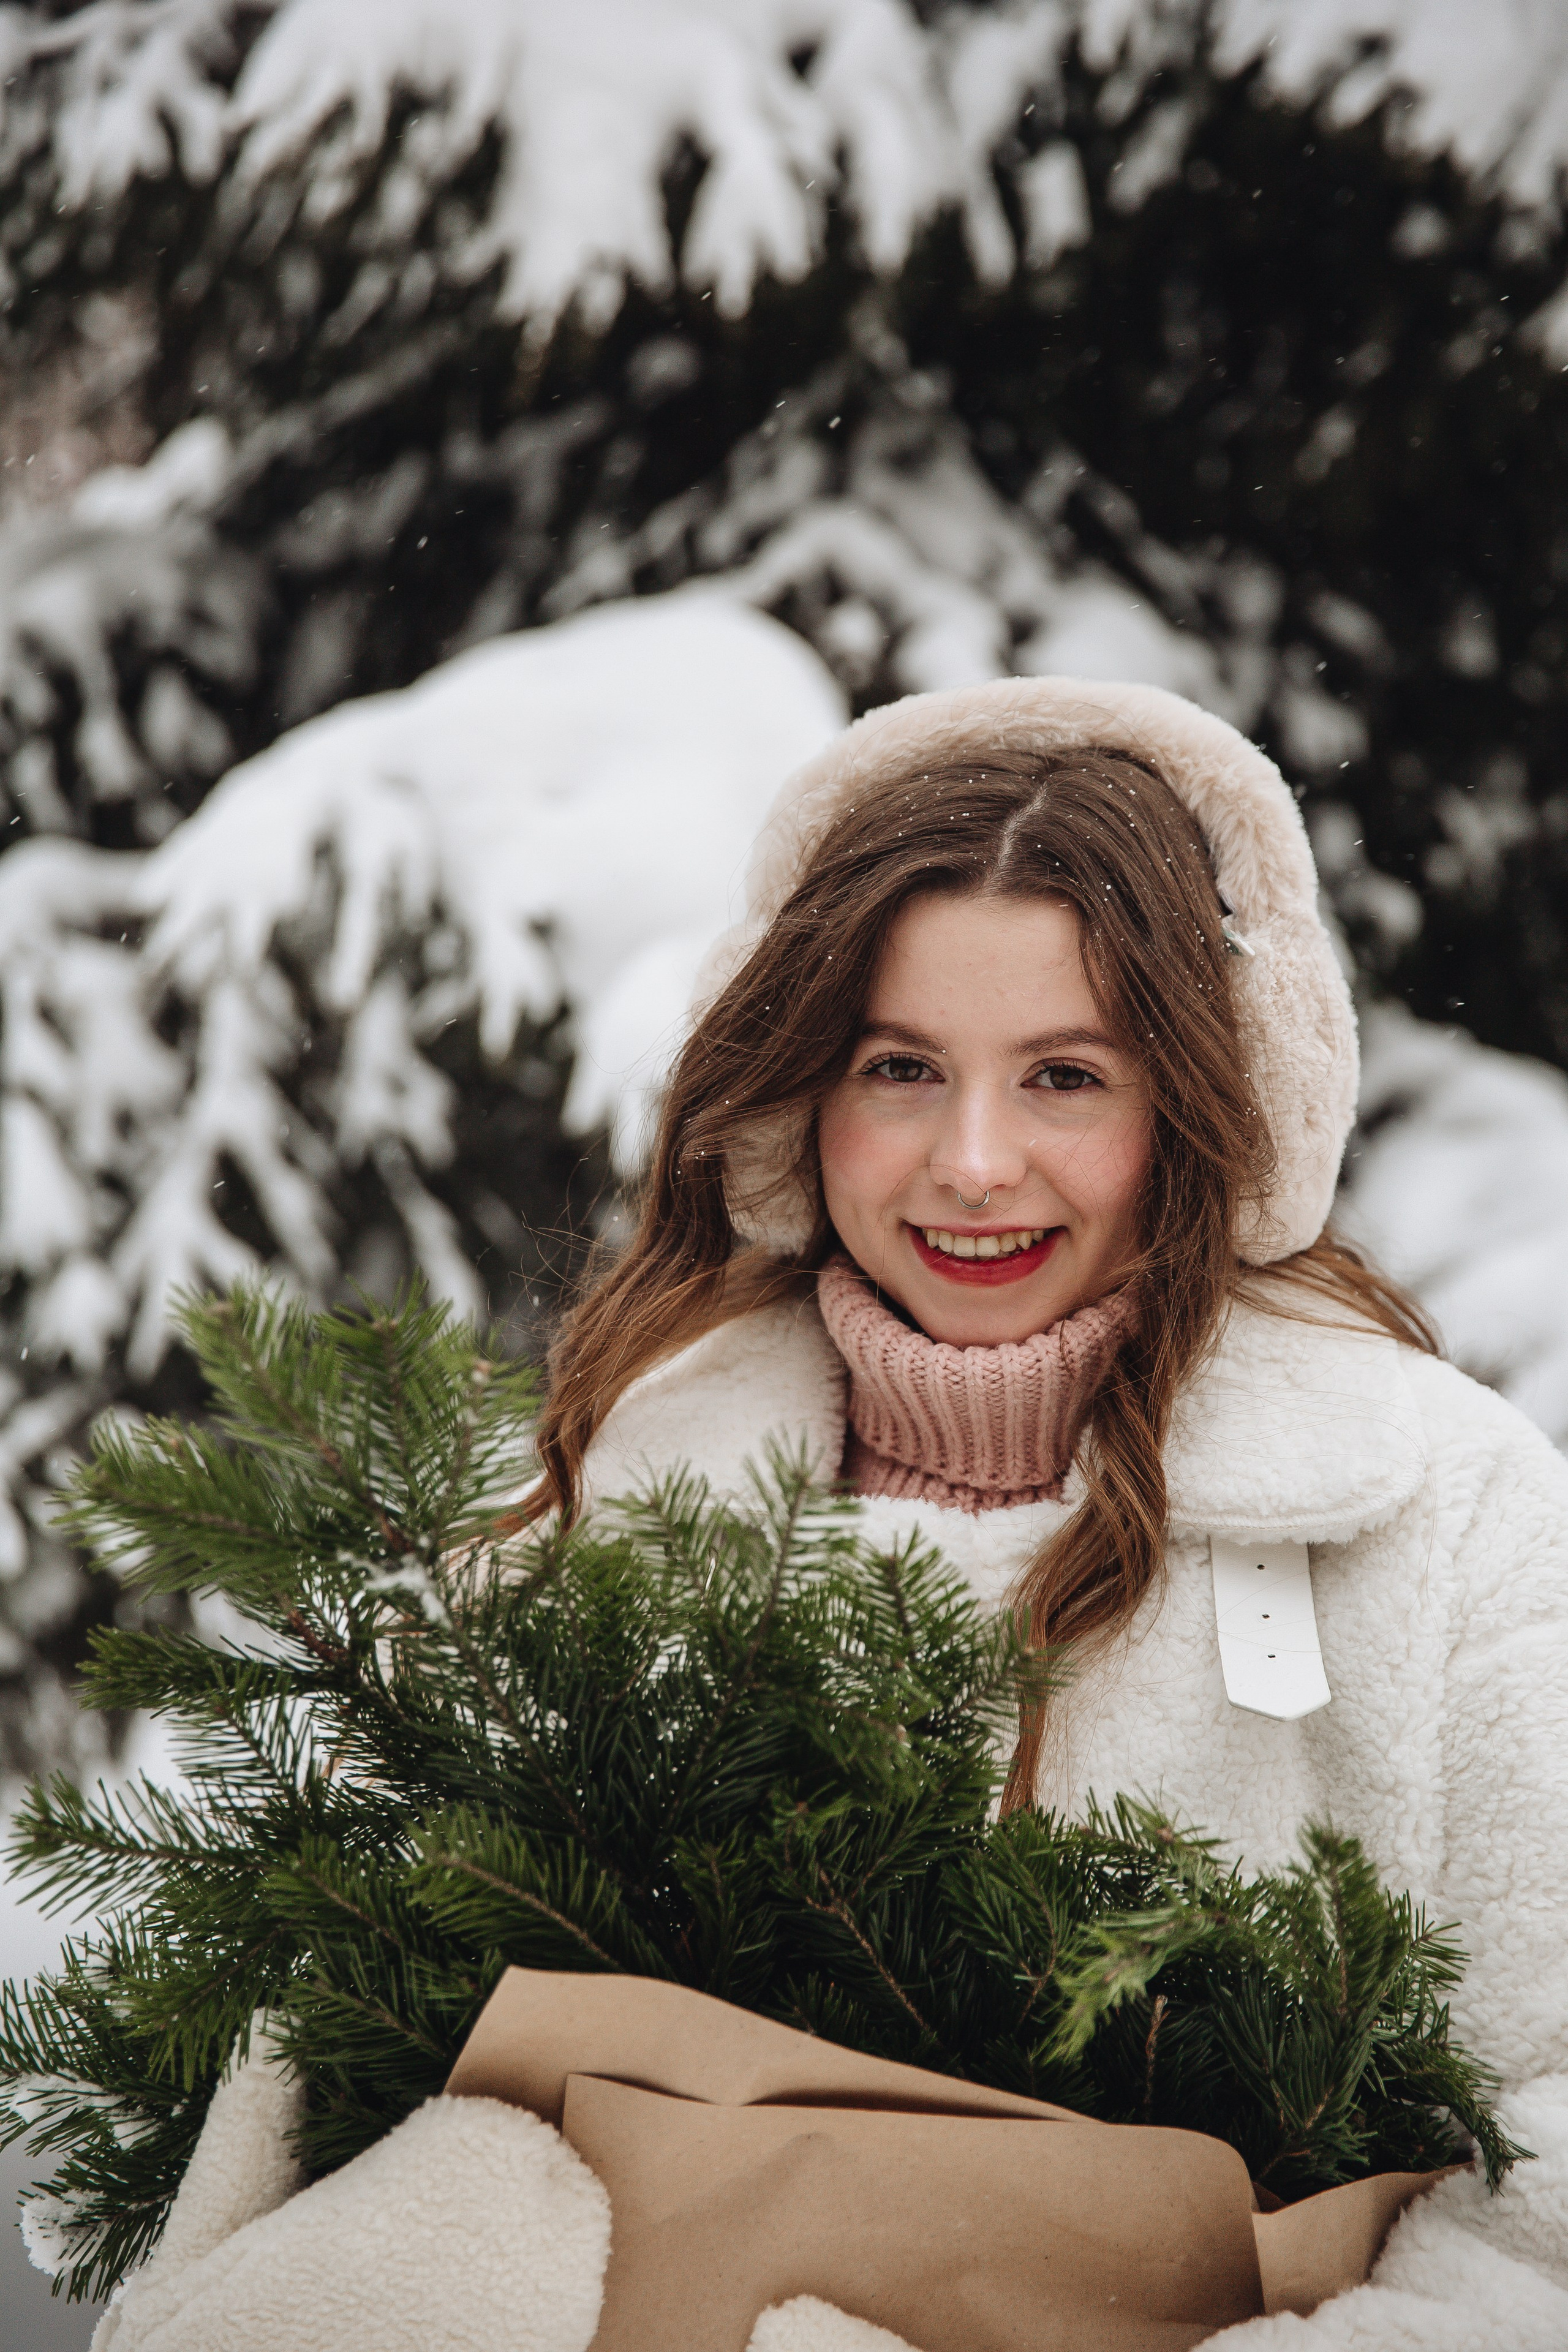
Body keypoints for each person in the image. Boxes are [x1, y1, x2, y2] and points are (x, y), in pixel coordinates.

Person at [91, 680, 1568, 2351]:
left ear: (1204, 1102)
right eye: (902, 1069)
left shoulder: (1444, 1515)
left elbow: (1550, 2169)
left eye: (1068, 1076)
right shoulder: (622, 1508)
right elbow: (373, 2055)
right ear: (806, 1095)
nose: (974, 1162)